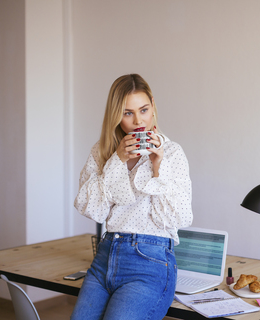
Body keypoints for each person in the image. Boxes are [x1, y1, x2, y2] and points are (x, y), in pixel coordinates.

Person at [71, 74, 193, 320]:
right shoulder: (102, 151)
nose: (138, 121)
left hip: (150, 262)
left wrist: (159, 167)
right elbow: (91, 209)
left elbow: (179, 217)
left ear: (153, 106)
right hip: (105, 257)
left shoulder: (171, 152)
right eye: (128, 113)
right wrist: (117, 160)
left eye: (144, 110)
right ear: (116, 115)